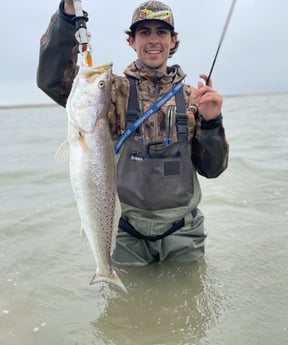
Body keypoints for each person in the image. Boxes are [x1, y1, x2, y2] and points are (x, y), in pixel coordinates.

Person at [37, 1, 229, 266]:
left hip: (183, 234)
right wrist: (68, 17)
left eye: (161, 32)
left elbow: (213, 169)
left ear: (173, 41)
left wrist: (211, 122)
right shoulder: (112, 91)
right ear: (131, 40)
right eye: (144, 32)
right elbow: (53, 80)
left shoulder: (193, 98)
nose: (153, 40)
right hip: (126, 234)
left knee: (188, 303)